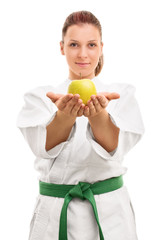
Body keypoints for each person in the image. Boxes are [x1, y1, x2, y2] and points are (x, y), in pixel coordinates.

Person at [17, 10, 144, 240]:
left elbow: (117, 147)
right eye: (74, 44)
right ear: (62, 47)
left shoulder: (120, 96)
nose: (83, 54)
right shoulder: (41, 98)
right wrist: (64, 117)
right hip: (54, 217)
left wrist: (98, 117)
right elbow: (41, 146)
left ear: (101, 48)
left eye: (92, 45)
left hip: (111, 217)